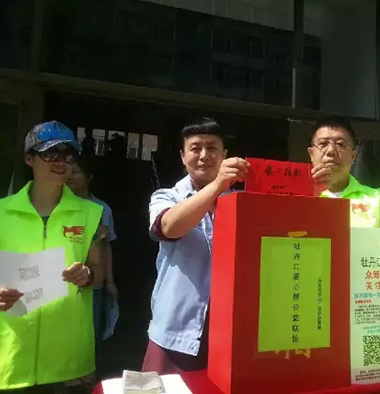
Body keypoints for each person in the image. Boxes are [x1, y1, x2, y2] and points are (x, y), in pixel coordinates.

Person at [0, 121, 105, 393]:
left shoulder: (90, 213)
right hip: (10, 355)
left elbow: (99, 274)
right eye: (50, 153)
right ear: (29, 159)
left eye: (68, 154)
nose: (60, 162)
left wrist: (87, 275)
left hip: (67, 361)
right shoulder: (1, 212)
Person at [142, 118, 249, 374]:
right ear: (182, 156)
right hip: (177, 329)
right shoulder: (167, 196)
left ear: (224, 154)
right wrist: (217, 185)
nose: (204, 155)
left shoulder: (241, 202)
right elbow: (169, 227)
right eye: (195, 148)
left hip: (229, 331)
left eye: (212, 148)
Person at [308, 116, 380, 228]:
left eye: (340, 144)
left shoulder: (378, 200)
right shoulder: (295, 198)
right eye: (323, 144)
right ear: (311, 154)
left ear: (354, 155)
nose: (331, 151)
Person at [66, 157, 119, 340]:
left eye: (75, 172)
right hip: (65, 278)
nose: (70, 176)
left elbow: (106, 246)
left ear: (89, 177)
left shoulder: (102, 209)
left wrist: (109, 280)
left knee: (91, 330)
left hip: (93, 279)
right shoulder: (59, 207)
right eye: (68, 172)